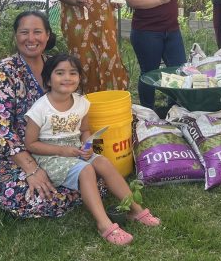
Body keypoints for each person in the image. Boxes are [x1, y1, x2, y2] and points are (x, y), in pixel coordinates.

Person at [24, 53, 160, 245]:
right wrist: (62, 151)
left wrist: (90, 147)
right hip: (50, 155)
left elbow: (85, 130)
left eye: (73, 73)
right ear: (48, 79)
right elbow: (30, 144)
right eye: (60, 73)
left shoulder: (82, 102)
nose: (67, 78)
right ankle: (104, 223)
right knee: (86, 170)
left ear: (79, 78)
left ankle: (133, 208)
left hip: (76, 148)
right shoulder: (40, 108)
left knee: (103, 161)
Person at [0, 11, 85, 218]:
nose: (31, 39)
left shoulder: (55, 65)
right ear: (16, 36)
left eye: (37, 32)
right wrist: (31, 169)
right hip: (10, 153)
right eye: (24, 32)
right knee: (38, 197)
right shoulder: (4, 71)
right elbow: (1, 129)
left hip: (51, 146)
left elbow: (73, 101)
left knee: (97, 176)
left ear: (47, 35)